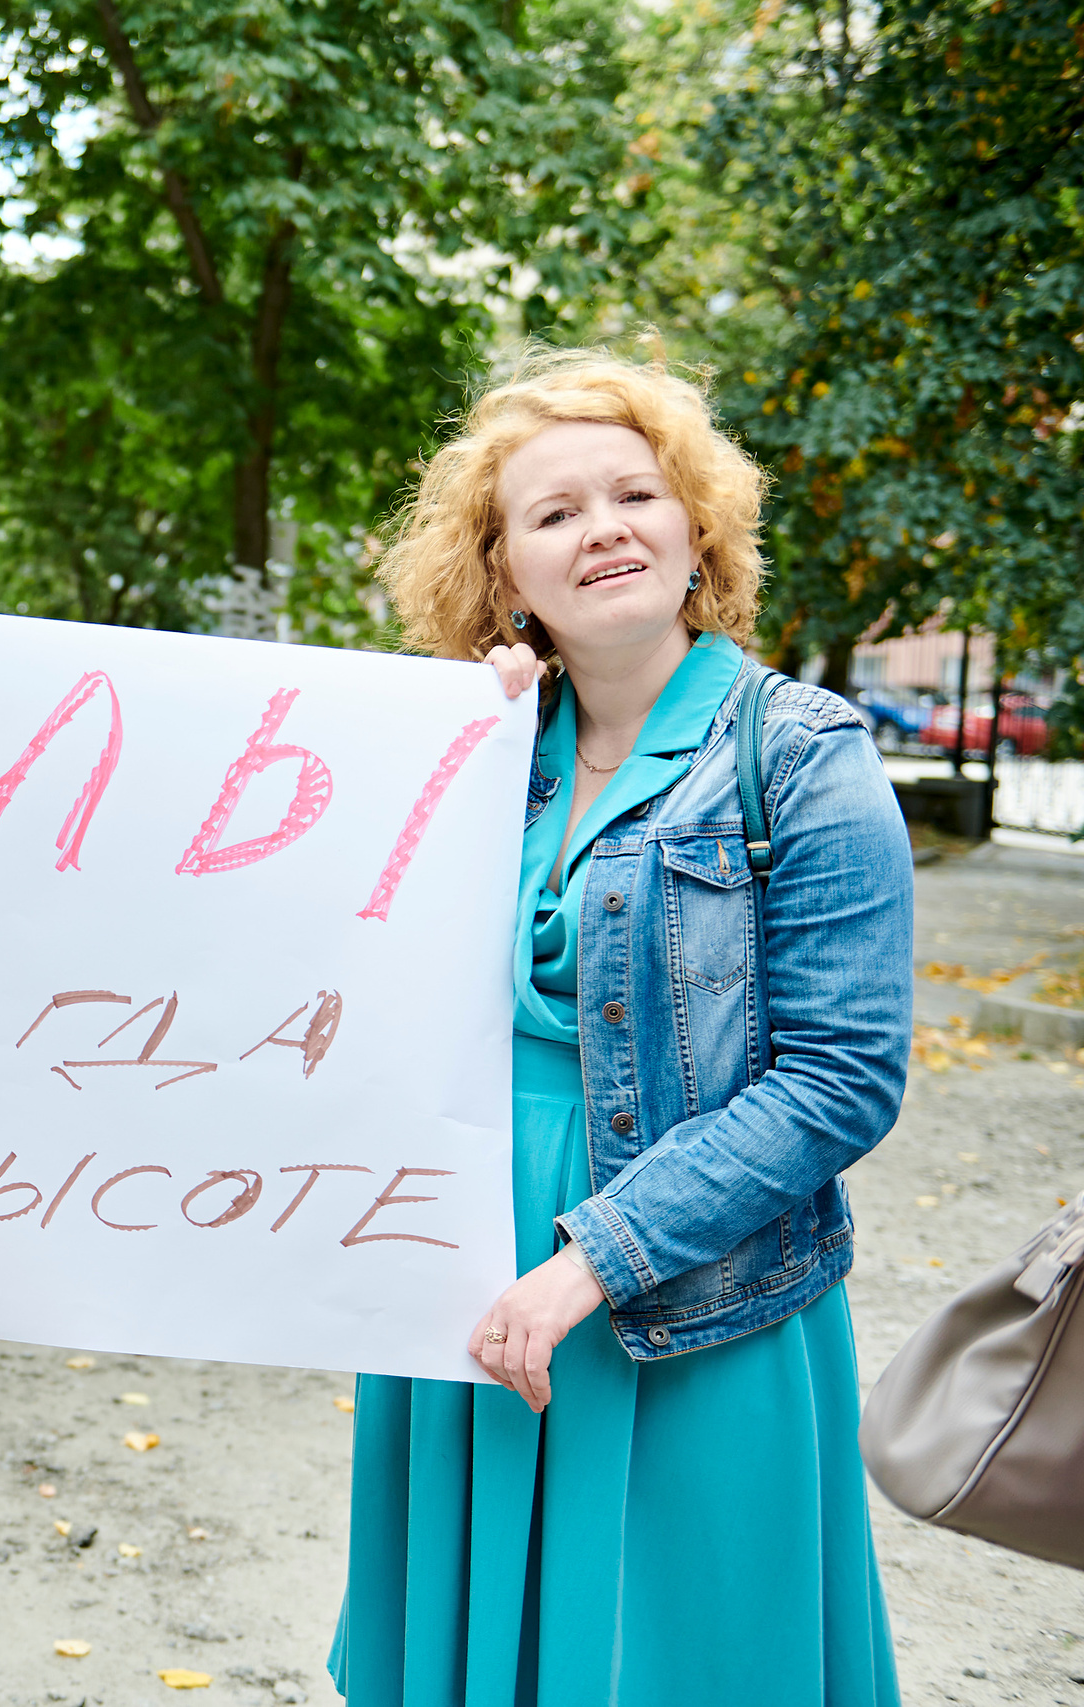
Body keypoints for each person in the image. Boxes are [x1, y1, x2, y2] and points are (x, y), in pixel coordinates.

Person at [328, 350, 909, 1705]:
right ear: (502, 575)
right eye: (553, 512)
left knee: (680, 1658)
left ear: (694, 524)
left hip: (687, 1297)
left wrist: (594, 1256)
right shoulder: (468, 756)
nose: (603, 528)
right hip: (460, 1282)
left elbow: (842, 1078)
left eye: (634, 493)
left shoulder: (802, 751)